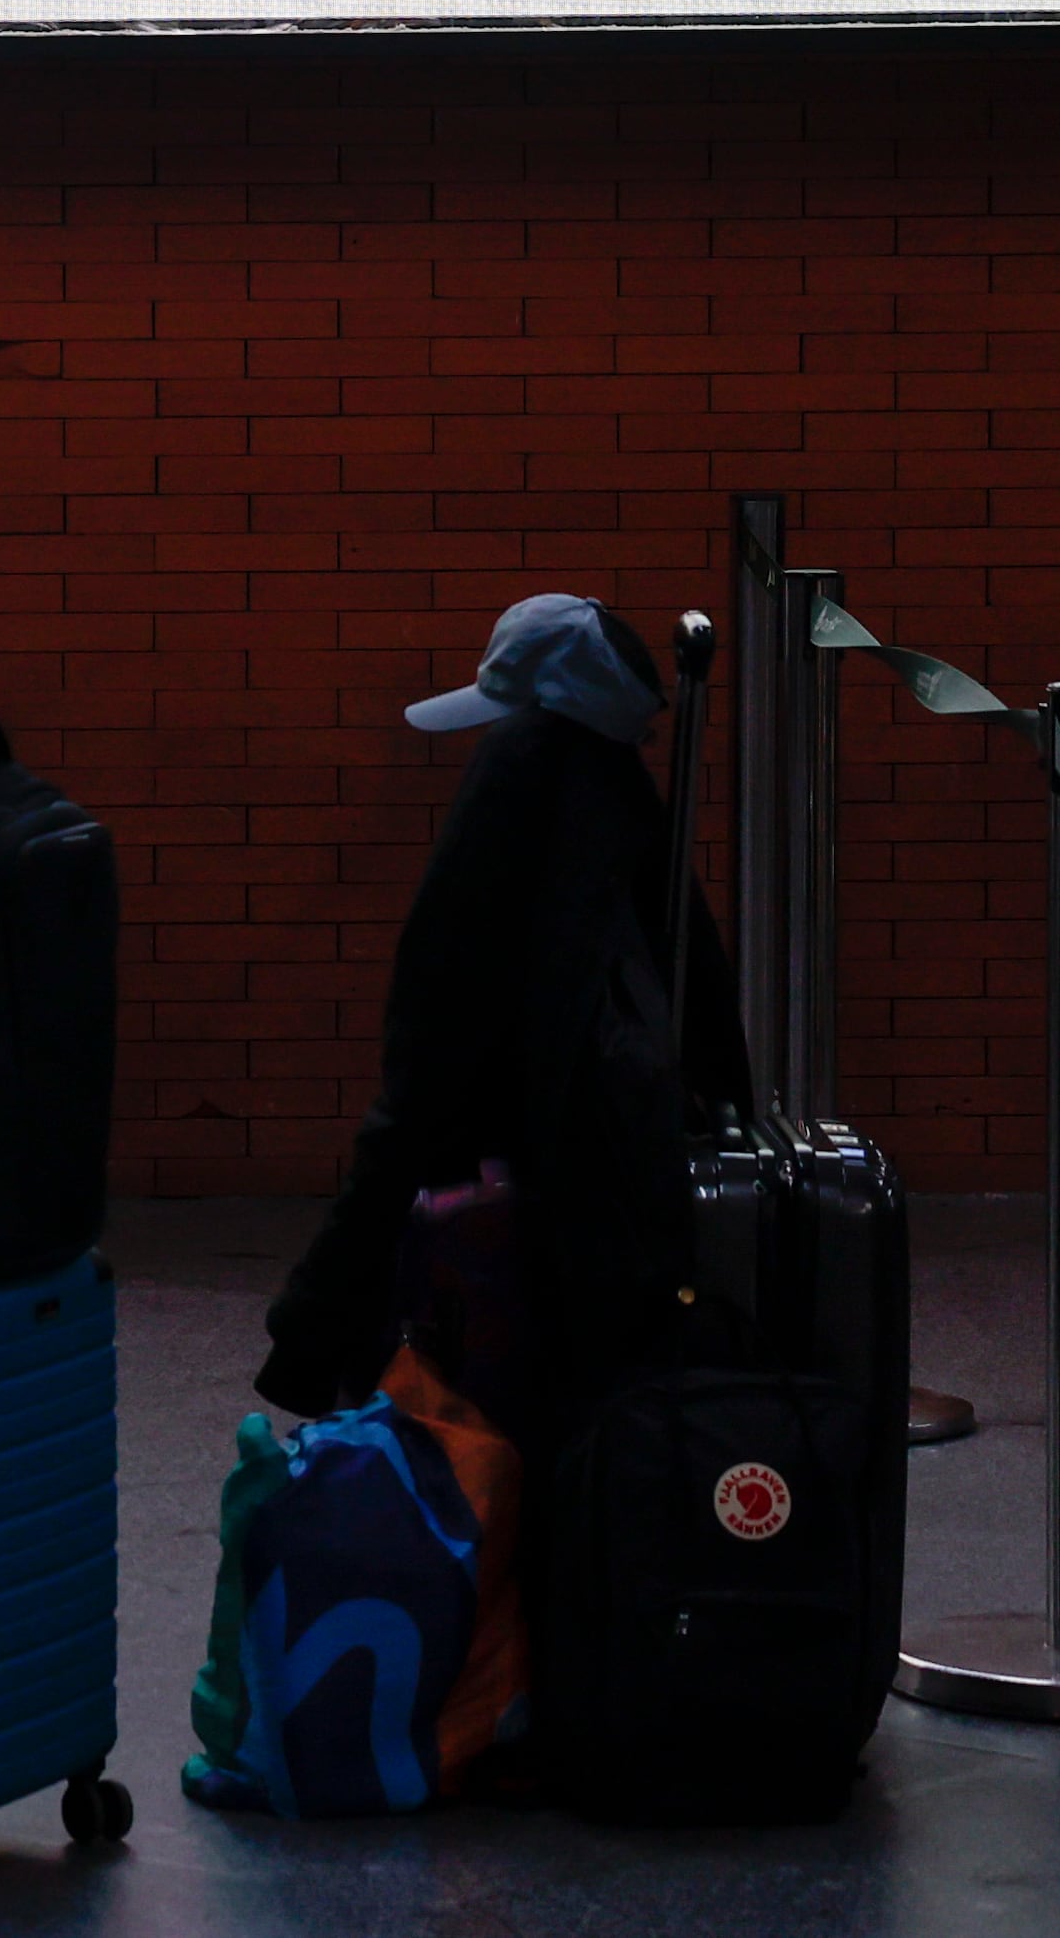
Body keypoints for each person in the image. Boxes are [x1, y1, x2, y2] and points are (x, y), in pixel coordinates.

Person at [259, 595, 746, 1440]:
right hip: (600, 1208)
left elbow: (438, 1002)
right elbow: (695, 968)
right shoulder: (616, 790)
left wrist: (308, 1323)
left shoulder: (519, 766)